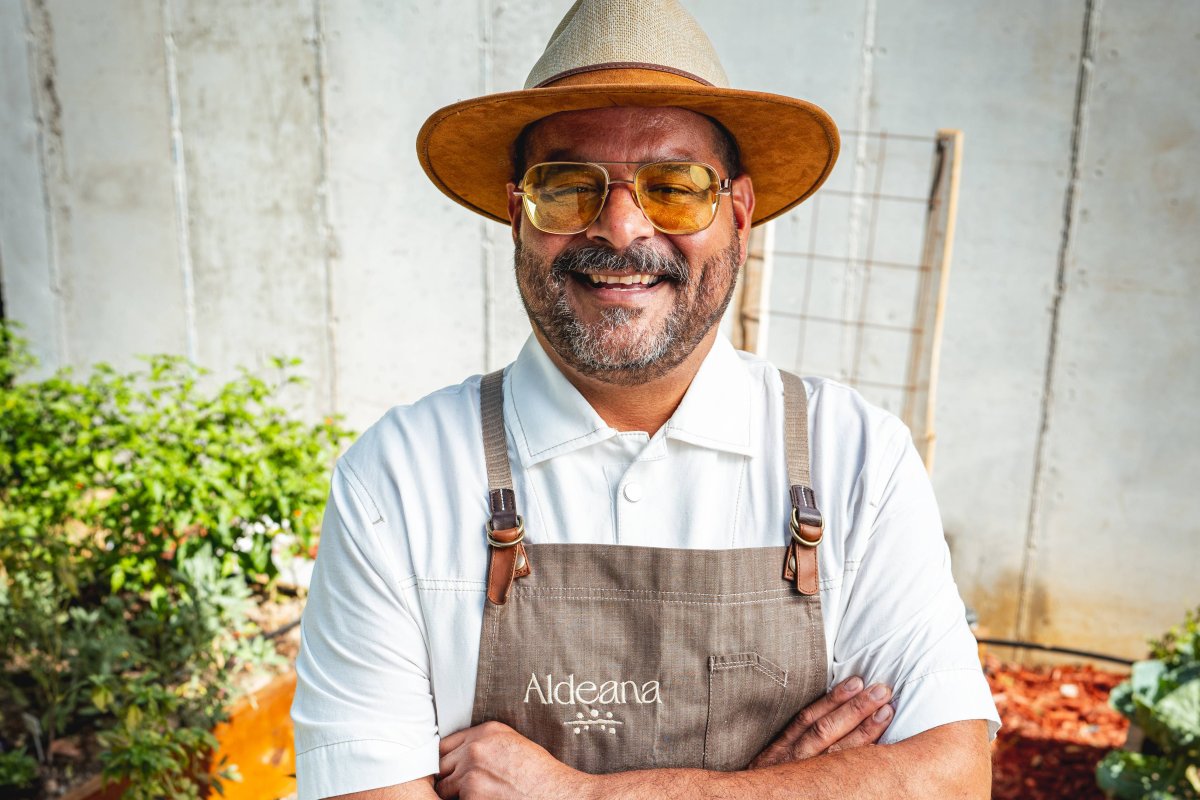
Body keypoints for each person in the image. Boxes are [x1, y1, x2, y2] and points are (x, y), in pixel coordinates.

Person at [291, 1, 1000, 798]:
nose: (622, 229)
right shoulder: (398, 479)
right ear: (517, 216)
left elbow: (949, 777)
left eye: (674, 185)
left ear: (737, 213)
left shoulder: (855, 458)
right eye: (567, 187)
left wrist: (583, 795)